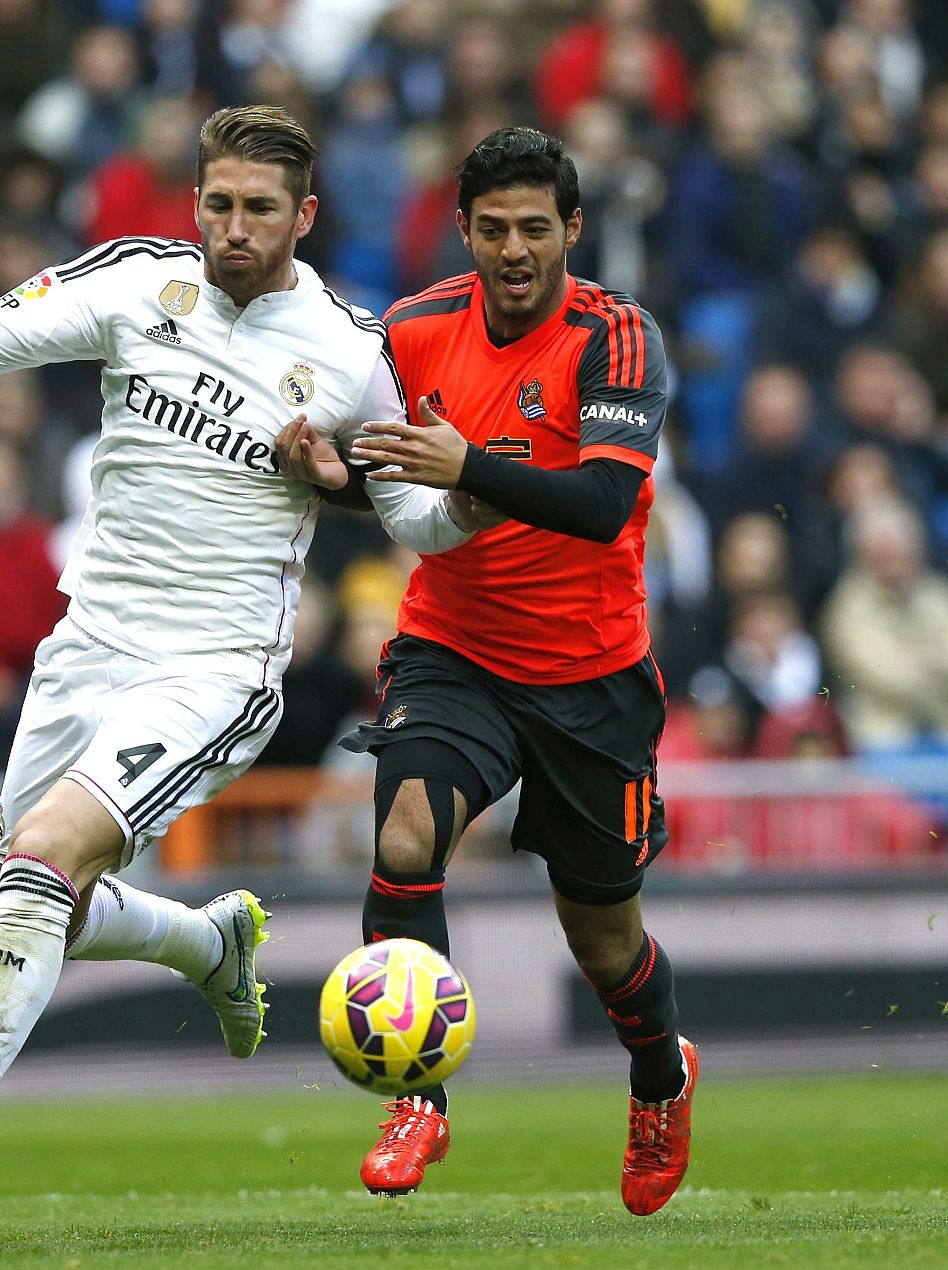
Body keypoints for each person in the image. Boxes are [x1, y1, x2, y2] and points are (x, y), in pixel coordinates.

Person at [0, 104, 486, 1221]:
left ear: (307, 217)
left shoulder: (351, 351)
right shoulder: (139, 280)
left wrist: (458, 484)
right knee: (32, 894)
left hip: (215, 664)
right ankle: (209, 940)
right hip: (87, 641)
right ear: (193, 202)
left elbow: (414, 521)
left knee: (43, 862)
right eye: (219, 204)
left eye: (260, 210)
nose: (234, 228)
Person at [276, 127, 696, 1213]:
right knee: (408, 830)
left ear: (571, 231)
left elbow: (603, 503)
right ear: (463, 231)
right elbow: (385, 481)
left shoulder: (618, 339)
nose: (515, 250)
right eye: (494, 229)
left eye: (535, 229)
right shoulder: (412, 330)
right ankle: (419, 1098)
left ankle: (660, 1076)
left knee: (603, 939)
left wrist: (475, 464)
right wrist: (325, 468)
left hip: (589, 674)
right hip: (452, 648)